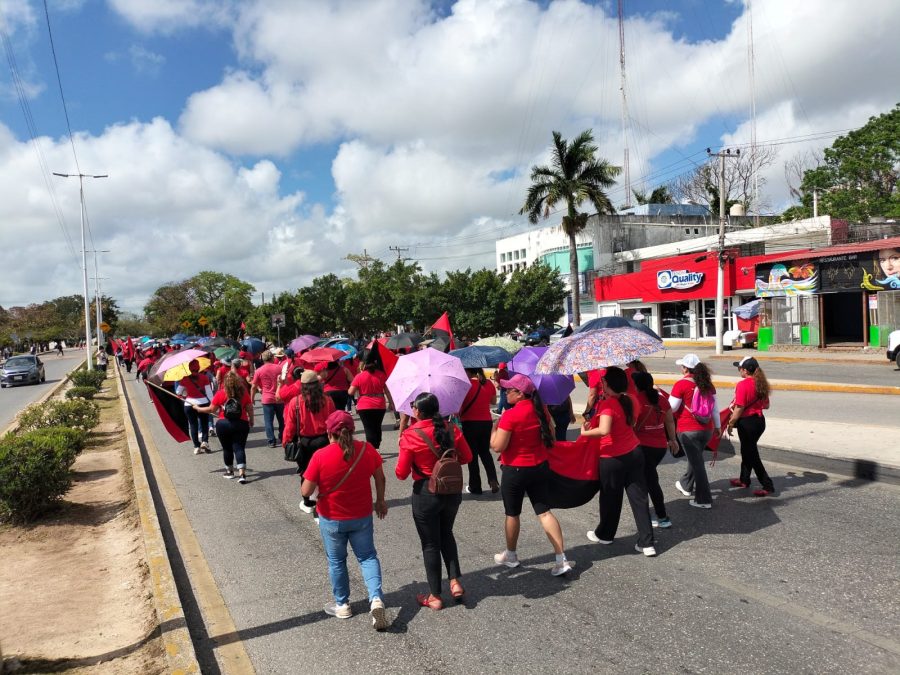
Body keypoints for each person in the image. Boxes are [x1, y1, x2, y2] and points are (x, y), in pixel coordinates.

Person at [302, 411, 390, 628]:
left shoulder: (320, 456)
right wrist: (380, 501)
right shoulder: (367, 450)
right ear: (352, 430)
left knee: (337, 561)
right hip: (361, 515)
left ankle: (342, 605)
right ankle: (376, 599)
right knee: (368, 557)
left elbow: (306, 489)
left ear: (328, 432)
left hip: (332, 518)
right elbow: (380, 477)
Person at [490, 374, 573, 576]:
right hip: (539, 466)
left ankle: (511, 555)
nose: (505, 392)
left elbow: (497, 446)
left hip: (515, 470)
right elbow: (551, 436)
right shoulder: (541, 410)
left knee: (512, 513)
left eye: (509, 390)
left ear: (519, 394)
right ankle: (561, 559)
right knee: (544, 512)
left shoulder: (510, 415)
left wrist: (493, 430)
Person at [396, 392, 473, 610]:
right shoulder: (452, 428)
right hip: (451, 490)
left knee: (430, 544)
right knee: (446, 533)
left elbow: (401, 473)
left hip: (425, 492)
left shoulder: (411, 434)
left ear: (418, 411)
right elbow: (467, 457)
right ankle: (455, 581)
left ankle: (435, 596)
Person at [580, 367, 656, 556]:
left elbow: (604, 430)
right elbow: (629, 423)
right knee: (639, 498)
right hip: (634, 452)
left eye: (603, 382)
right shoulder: (630, 400)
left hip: (612, 457)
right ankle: (647, 543)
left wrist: (585, 432)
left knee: (610, 497)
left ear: (607, 384)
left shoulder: (608, 405)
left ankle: (605, 534)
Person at [668, 354, 721, 509]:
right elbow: (715, 410)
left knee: (698, 465)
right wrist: (717, 427)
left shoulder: (681, 384)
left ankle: (704, 500)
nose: (681, 369)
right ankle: (686, 485)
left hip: (687, 430)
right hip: (707, 430)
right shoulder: (708, 385)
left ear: (686, 368)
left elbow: (672, 408)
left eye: (682, 366)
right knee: (696, 458)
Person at [283, 371, 336, 514]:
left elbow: (290, 426)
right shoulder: (327, 400)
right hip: (324, 440)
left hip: (305, 442)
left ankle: (308, 501)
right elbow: (333, 422)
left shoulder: (296, 402)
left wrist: (286, 442)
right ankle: (323, 500)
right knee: (324, 472)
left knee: (306, 473)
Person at [631, 371, 679, 528]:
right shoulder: (662, 399)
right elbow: (670, 422)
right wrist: (672, 440)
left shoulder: (635, 400)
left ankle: (659, 516)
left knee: (646, 483)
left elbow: (630, 424)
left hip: (642, 447)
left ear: (637, 385)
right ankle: (659, 515)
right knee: (650, 479)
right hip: (660, 447)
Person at [726, 356, 774, 496]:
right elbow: (766, 405)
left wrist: (731, 423)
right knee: (747, 450)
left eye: (739, 368)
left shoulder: (742, 385)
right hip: (759, 422)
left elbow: (739, 408)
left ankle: (768, 485)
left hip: (747, 424)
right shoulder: (761, 383)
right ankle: (744, 479)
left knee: (752, 454)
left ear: (745, 370)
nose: (739, 370)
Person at [194, 371, 254, 483]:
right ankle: (242, 474)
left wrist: (198, 408)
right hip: (241, 423)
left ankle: (230, 472)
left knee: (227, 448)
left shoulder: (221, 393)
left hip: (223, 424)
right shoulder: (244, 393)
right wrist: (251, 420)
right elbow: (249, 408)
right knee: (239, 448)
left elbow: (211, 409)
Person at [458, 367, 499, 495]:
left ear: (469, 372)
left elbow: (458, 406)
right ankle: (493, 480)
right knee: (485, 453)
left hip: (469, 423)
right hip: (486, 422)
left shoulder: (465, 385)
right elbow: (493, 402)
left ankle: (475, 486)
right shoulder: (488, 383)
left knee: (472, 456)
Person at [348, 361, 390, 450]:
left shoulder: (359, 376)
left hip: (364, 405)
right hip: (379, 404)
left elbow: (350, 392)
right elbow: (387, 391)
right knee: (377, 426)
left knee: (368, 428)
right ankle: (377, 446)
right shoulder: (381, 375)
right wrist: (391, 403)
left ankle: (372, 449)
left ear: (364, 366)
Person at [177, 359, 214, 455]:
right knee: (204, 424)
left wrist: (185, 391)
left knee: (193, 425)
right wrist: (213, 404)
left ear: (189, 369)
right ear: (199, 368)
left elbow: (178, 392)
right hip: (203, 403)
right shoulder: (204, 377)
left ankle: (196, 446)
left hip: (189, 404)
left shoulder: (185, 378)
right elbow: (209, 394)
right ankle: (205, 441)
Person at [251, 350, 285, 448]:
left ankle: (271, 440)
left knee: (268, 421)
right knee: (281, 420)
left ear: (262, 359)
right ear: (272, 358)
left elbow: (253, 386)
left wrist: (252, 398)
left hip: (267, 398)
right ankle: (282, 436)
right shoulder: (280, 368)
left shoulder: (259, 370)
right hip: (279, 397)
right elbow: (284, 382)